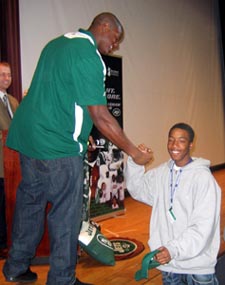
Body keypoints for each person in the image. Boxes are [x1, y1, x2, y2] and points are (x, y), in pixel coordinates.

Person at [2, 12, 152, 285]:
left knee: (30, 204)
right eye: (115, 38)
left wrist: (83, 135)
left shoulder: (57, 43)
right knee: (66, 215)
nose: (114, 46)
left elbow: (60, 98)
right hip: (57, 147)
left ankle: (15, 267)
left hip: (28, 139)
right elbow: (101, 115)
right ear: (104, 27)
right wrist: (134, 152)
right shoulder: (88, 54)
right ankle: (62, 279)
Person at [125, 122, 221, 285]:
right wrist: (136, 162)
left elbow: (203, 227)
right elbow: (138, 189)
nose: (174, 145)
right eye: (171, 140)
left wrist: (174, 249)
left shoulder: (203, 179)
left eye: (181, 140)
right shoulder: (162, 172)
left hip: (196, 269)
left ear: (191, 144)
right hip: (170, 266)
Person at [0, 62, 19, 259]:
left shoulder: (13, 101)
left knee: (10, 204)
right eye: (2, 75)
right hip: (0, 163)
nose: (6, 78)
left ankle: (9, 242)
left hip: (14, 165)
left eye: (8, 75)